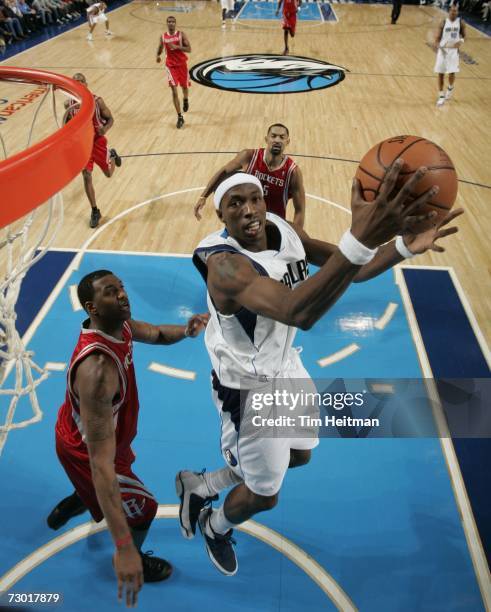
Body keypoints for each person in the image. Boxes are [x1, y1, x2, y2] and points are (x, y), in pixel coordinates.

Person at [177, 169, 462, 576]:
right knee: (264, 495)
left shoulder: (281, 228)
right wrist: (359, 239)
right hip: (249, 390)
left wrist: (402, 246)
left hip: (286, 365)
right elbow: (299, 311)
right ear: (220, 216)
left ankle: (201, 484)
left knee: (300, 455)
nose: (250, 210)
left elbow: (352, 269)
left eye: (254, 198)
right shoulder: (224, 266)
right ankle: (214, 525)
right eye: (235, 204)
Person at [48, 269, 208, 605]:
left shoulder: (117, 325)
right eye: (111, 292)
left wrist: (187, 331)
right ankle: (136, 556)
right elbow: (101, 465)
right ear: (92, 307)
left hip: (88, 435)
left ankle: (84, 495)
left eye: (121, 287)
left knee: (101, 482)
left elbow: (156, 333)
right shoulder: (98, 371)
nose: (122, 294)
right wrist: (122, 547)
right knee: (144, 508)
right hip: (86, 450)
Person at [194, 123, 306, 228]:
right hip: (246, 222)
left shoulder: (293, 172)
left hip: (273, 226)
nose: (277, 140)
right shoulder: (249, 156)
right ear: (266, 139)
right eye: (273, 136)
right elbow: (224, 172)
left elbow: (300, 210)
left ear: (288, 141)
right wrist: (203, 196)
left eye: (282, 137)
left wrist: (296, 238)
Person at [64, 73, 121, 229]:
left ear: (86, 83)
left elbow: (111, 119)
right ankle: (95, 210)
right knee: (86, 175)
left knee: (109, 174)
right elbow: (68, 125)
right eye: (76, 82)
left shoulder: (98, 101)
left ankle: (113, 155)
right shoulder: (68, 105)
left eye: (81, 81)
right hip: (83, 145)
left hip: (97, 142)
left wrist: (105, 129)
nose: (79, 83)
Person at [156, 15, 191, 129]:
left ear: (175, 23)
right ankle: (180, 117)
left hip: (182, 65)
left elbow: (189, 49)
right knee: (174, 91)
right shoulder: (163, 36)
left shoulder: (181, 34)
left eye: (172, 21)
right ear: (167, 23)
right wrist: (157, 55)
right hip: (170, 66)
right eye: (169, 21)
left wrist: (177, 47)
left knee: (184, 87)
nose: (171, 23)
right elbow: (160, 47)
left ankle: (185, 99)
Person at [433, 3, 465, 106]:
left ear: (457, 12)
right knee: (440, 73)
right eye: (452, 11)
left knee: (452, 73)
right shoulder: (443, 22)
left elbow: (464, 36)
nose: (453, 12)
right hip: (443, 51)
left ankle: (450, 88)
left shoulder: (460, 22)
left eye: (455, 11)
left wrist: (461, 41)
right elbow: (437, 39)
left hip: (453, 52)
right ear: (449, 11)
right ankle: (441, 96)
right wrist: (439, 47)